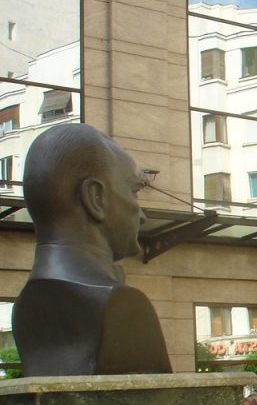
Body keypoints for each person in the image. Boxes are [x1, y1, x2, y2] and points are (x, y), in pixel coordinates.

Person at [12, 123, 172, 376]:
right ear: (95, 197)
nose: (142, 216)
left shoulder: (25, 307)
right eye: (134, 192)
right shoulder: (121, 305)